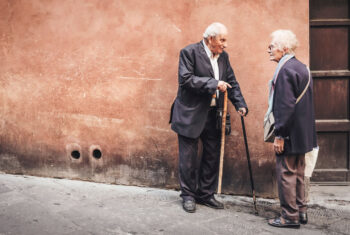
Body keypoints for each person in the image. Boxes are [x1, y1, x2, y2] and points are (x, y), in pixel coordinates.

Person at [169, 22, 248, 213]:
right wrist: (214, 83)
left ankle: (205, 194)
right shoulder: (189, 52)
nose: (225, 44)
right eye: (222, 39)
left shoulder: (224, 57)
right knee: (188, 158)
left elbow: (231, 82)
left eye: (225, 40)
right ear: (210, 38)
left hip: (214, 115)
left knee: (212, 156)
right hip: (190, 114)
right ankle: (188, 196)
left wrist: (240, 104)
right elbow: (186, 80)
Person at [265, 30, 317, 228]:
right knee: (298, 173)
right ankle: (301, 211)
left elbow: (285, 106)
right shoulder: (302, 67)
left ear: (284, 48)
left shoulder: (285, 70)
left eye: (272, 46)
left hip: (289, 133)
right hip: (303, 133)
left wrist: (280, 135)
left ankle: (289, 216)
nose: (268, 49)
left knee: (286, 173)